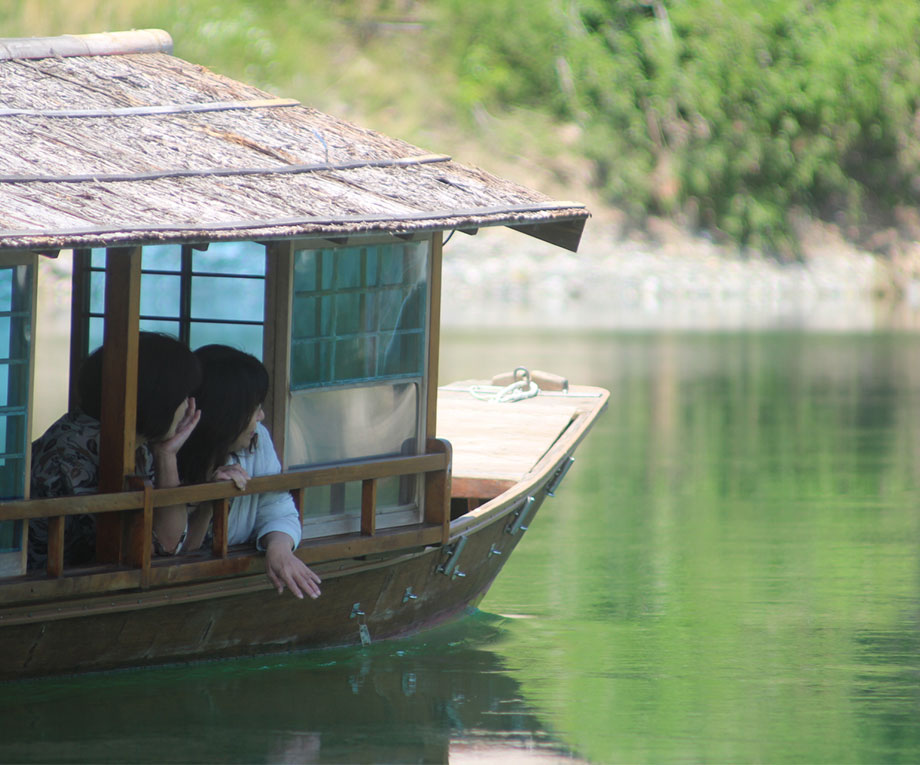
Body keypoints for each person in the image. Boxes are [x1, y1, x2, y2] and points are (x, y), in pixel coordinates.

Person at [28, 332, 202, 569]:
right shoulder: (72, 453)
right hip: (50, 591)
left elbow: (169, 542)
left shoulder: (135, 443)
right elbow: (158, 547)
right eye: (182, 397)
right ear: (157, 398)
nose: (187, 406)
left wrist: (166, 455)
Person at [178, 345, 321, 600]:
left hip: (231, 584)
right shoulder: (168, 450)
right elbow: (179, 550)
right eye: (254, 408)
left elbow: (278, 507)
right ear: (226, 413)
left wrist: (279, 549)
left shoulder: (258, 438)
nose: (262, 416)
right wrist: (209, 499)